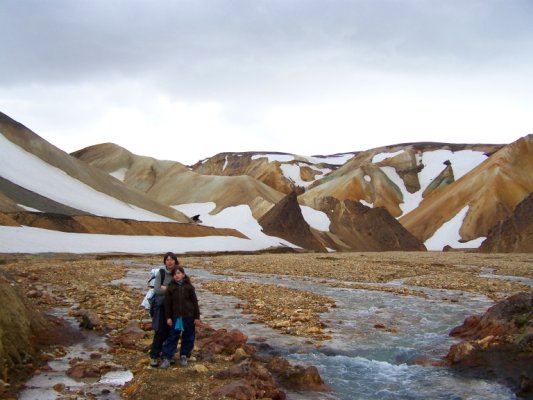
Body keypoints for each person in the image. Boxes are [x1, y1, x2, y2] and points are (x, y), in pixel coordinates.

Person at [159, 266, 201, 369]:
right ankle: (167, 357)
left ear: (183, 274)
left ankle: (184, 355)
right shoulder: (171, 288)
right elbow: (168, 305)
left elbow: (195, 302)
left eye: (178, 273)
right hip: (177, 318)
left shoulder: (189, 287)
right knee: (173, 336)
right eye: (174, 274)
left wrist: (197, 317)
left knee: (189, 336)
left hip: (189, 317)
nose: (176, 275)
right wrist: (168, 317)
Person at [149, 252, 178, 368]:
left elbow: (181, 288)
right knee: (160, 330)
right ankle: (154, 356)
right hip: (161, 306)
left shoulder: (178, 272)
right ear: (165, 262)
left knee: (172, 332)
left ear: (175, 261)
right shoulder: (161, 273)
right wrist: (172, 289)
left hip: (174, 307)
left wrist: (167, 288)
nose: (169, 262)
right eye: (167, 260)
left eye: (171, 259)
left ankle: (167, 355)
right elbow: (156, 290)